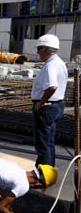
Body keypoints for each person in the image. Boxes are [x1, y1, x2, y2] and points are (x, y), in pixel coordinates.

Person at [32, 34, 67, 166]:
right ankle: (48, 170)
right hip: (56, 105)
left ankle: (42, 174)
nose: (38, 52)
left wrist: (40, 103)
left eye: (39, 48)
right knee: (48, 142)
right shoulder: (60, 63)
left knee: (43, 144)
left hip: (46, 107)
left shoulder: (50, 65)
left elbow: (52, 86)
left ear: (46, 49)